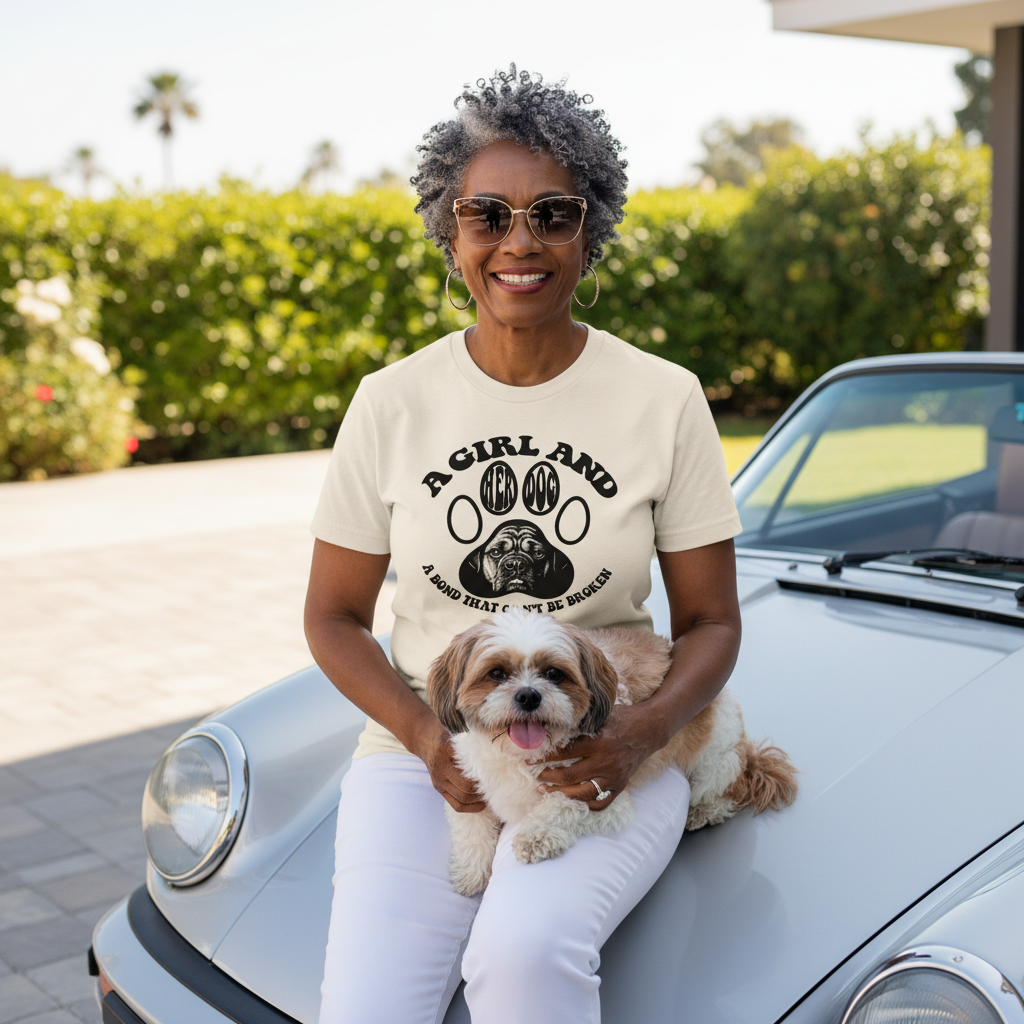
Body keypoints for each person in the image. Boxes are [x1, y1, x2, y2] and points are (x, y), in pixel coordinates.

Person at [305, 66, 742, 1024]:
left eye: (553, 212)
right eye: (487, 214)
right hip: (424, 750)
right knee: (366, 1008)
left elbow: (710, 623)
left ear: (591, 231)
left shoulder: (664, 397)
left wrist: (635, 733)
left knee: (525, 957)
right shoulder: (391, 402)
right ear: (449, 231)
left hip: (611, 744)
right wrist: (427, 734)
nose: (520, 242)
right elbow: (333, 619)